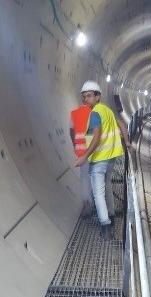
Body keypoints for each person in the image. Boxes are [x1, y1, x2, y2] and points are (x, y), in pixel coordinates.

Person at [75, 81, 131, 239]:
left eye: (89, 96)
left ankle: (105, 226)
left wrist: (84, 156)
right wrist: (126, 142)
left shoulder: (94, 114)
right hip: (111, 158)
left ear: (98, 96)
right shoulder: (107, 110)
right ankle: (111, 215)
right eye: (84, 97)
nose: (86, 99)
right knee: (107, 186)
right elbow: (121, 124)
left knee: (98, 194)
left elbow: (97, 136)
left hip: (99, 160)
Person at [69, 84, 94, 213]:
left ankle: (86, 204)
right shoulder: (94, 113)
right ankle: (98, 202)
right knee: (95, 176)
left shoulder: (74, 114)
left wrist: (75, 146)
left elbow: (71, 132)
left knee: (84, 177)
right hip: (94, 152)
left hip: (81, 152)